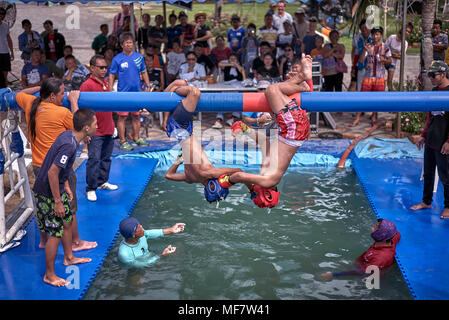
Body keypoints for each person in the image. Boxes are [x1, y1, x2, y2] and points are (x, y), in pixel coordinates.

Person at [16, 78, 97, 252]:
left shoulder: (31, 104)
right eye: (61, 94)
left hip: (39, 166)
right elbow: (81, 126)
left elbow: (19, 94)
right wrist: (74, 101)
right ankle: (76, 242)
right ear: (52, 96)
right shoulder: (61, 113)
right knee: (70, 205)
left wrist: (39, 89)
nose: (63, 97)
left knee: (44, 203)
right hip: (58, 168)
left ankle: (44, 241)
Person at [228, 55, 313, 208]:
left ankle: (302, 85)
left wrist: (245, 129)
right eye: (255, 193)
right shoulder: (271, 180)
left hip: (292, 131)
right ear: (267, 193)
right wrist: (223, 183)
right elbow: (239, 175)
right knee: (272, 90)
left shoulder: (265, 173)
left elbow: (264, 142)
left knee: (277, 91)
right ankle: (302, 78)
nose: (254, 191)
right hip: (293, 130)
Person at [33, 108, 97, 287]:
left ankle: (69, 257)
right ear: (85, 127)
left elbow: (63, 168)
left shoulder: (71, 136)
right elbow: (53, 172)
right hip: (47, 193)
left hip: (59, 188)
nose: (96, 126)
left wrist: (66, 186)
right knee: (55, 232)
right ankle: (49, 275)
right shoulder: (69, 145)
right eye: (95, 123)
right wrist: (57, 201)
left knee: (67, 222)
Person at [163, 80, 246, 203]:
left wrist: (251, 187)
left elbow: (239, 171)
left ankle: (159, 101)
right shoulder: (191, 179)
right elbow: (169, 175)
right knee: (182, 83)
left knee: (194, 92)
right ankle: (164, 105)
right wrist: (178, 161)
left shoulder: (209, 172)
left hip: (180, 127)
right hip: (182, 132)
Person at [410, 60, 449, 220]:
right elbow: (430, 117)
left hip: (444, 142)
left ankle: (448, 206)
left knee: (446, 175)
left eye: (433, 74)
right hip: (431, 139)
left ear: (444, 74)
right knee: (428, 172)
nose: (431, 77)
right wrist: (423, 135)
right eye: (429, 74)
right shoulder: (434, 91)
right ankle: (426, 201)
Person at [81, 54, 118, 202]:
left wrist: (112, 125)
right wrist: (85, 132)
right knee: (94, 159)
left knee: (106, 158)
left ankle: (102, 182)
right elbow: (83, 111)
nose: (104, 70)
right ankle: (91, 187)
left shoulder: (105, 83)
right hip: (95, 131)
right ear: (92, 68)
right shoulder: (87, 85)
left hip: (108, 128)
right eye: (101, 67)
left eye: (105, 67)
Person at [109, 32, 151, 151]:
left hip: (136, 93)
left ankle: (136, 137)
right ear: (122, 45)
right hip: (123, 94)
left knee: (136, 116)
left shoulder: (139, 57)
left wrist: (148, 85)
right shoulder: (117, 59)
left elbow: (144, 71)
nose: (129, 45)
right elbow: (112, 75)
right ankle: (122, 141)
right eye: (126, 43)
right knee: (122, 118)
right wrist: (109, 89)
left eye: (131, 42)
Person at [320, 219, 400, 280]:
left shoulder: (380, 258)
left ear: (379, 235)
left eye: (375, 228)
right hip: (365, 262)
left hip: (369, 274)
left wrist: (334, 275)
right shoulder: (390, 238)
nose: (372, 228)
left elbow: (362, 272)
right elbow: (397, 233)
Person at [352, 26, 391, 127]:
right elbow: (361, 60)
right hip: (368, 76)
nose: (375, 36)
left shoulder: (385, 46)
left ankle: (374, 117)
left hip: (380, 76)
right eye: (373, 34)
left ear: (381, 35)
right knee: (362, 98)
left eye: (377, 34)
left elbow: (390, 61)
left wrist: (384, 60)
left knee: (377, 99)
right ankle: (357, 118)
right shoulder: (368, 46)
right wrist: (364, 50)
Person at [118, 217, 184, 268]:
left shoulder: (141, 234)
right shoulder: (124, 254)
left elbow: (148, 233)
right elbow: (142, 265)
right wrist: (161, 255)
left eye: (139, 224)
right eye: (138, 227)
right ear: (133, 235)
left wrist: (170, 230)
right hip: (136, 268)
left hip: (148, 256)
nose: (141, 226)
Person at [384, 23, 413, 91]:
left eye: (409, 32)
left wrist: (390, 52)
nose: (407, 32)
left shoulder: (405, 43)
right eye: (406, 30)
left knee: (389, 81)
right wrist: (394, 54)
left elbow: (401, 57)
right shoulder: (392, 37)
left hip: (392, 64)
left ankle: (390, 95)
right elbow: (384, 48)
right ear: (401, 30)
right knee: (381, 80)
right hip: (384, 61)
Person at [0, 8, 14, 83]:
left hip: (5, 51)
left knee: (5, 70)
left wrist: (12, 51)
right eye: (0, 13)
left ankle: (5, 85)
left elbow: (9, 39)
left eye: (3, 14)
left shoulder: (5, 25)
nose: (1, 15)